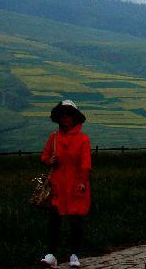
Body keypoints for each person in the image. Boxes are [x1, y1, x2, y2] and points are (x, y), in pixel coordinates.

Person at [39, 100, 91, 269]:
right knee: (54, 221)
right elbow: (44, 157)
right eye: (62, 115)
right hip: (58, 186)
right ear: (58, 117)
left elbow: (86, 164)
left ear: (75, 118)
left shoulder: (83, 140)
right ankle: (51, 255)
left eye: (68, 114)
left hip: (76, 186)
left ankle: (74, 254)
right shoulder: (53, 137)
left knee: (76, 223)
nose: (65, 118)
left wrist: (83, 182)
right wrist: (49, 160)